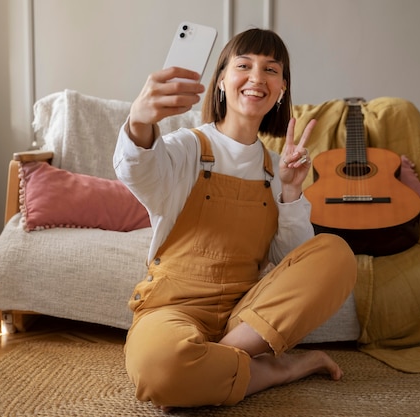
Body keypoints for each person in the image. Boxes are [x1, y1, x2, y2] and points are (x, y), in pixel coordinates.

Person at [113, 28, 357, 411]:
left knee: (336, 253)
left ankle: (217, 359)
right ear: (222, 81)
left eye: (271, 69)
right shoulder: (188, 146)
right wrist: (140, 122)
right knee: (158, 369)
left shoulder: (277, 167)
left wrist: (291, 191)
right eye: (244, 65)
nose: (257, 77)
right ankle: (278, 370)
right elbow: (138, 171)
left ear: (280, 90)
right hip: (173, 309)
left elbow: (293, 259)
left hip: (247, 313)